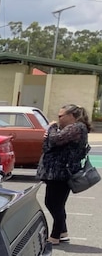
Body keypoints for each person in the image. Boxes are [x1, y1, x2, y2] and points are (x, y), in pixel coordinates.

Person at [36, 103, 91, 245]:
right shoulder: (69, 128)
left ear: (71, 116)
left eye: (61, 116)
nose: (58, 119)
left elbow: (55, 139)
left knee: (53, 203)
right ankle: (62, 232)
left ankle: (55, 236)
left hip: (62, 173)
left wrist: (52, 128)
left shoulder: (77, 127)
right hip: (56, 172)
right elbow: (51, 142)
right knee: (56, 203)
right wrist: (51, 132)